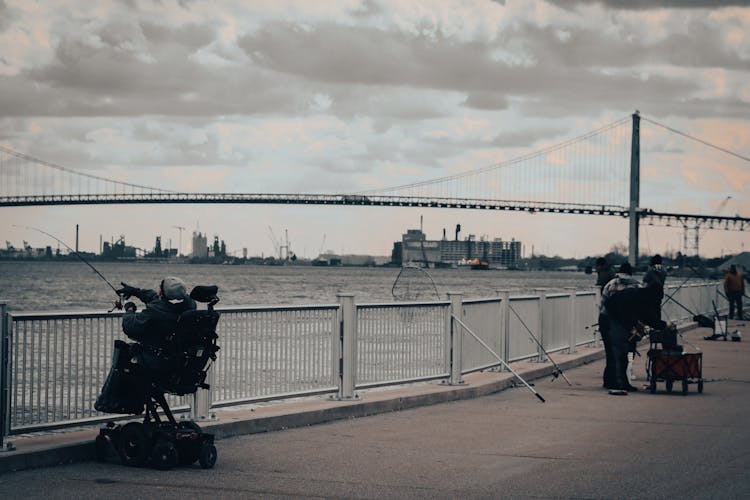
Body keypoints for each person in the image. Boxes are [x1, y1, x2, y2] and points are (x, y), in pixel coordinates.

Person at [603, 285, 668, 393]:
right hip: (611, 319)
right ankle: (618, 384)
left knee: (620, 353)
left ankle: (618, 382)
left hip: (617, 319)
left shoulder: (640, 295)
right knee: (619, 352)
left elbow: (643, 316)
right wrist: (664, 325)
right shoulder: (641, 298)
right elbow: (648, 317)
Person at [117, 276, 197, 350]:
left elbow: (130, 326)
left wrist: (129, 309)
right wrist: (135, 291)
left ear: (162, 293)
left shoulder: (155, 312)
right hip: (178, 355)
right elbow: (157, 299)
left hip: (155, 357)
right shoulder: (190, 305)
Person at [599, 262, 640, 390]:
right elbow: (640, 307)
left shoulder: (610, 284)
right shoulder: (637, 285)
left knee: (610, 352)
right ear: (631, 272)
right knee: (625, 352)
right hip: (625, 322)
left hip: (605, 319)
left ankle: (609, 381)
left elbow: (603, 304)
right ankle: (621, 382)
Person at [594, 257, 616, 389]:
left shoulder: (604, 274)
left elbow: (601, 287)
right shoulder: (611, 272)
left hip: (606, 316)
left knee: (610, 351)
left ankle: (609, 380)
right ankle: (613, 379)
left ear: (600, 265)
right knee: (613, 351)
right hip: (613, 316)